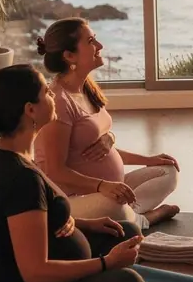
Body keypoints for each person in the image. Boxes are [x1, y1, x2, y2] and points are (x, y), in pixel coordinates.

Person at [0, 64, 163, 282]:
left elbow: (20, 220)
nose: (53, 96)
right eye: (47, 92)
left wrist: (84, 224)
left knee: (124, 231)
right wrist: (107, 264)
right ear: (30, 109)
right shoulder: (18, 177)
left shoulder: (4, 151)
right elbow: (34, 272)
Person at [34, 19, 179, 230]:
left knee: (168, 170)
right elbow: (54, 170)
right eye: (91, 41)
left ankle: (131, 215)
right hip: (73, 199)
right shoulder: (59, 102)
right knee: (112, 204)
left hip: (109, 188)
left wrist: (148, 160)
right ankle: (144, 219)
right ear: (69, 55)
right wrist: (102, 186)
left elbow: (98, 151)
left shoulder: (86, 89)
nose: (100, 46)